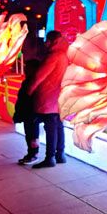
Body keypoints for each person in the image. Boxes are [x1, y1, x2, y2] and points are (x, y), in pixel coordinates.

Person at [27, 30, 69, 168]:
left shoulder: (54, 56)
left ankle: (50, 158)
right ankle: (60, 155)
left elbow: (39, 76)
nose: (45, 43)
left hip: (48, 97)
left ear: (53, 41)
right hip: (59, 97)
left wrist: (29, 90)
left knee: (50, 127)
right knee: (58, 126)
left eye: (47, 40)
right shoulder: (65, 55)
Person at [13, 58, 41, 164]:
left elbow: (26, 98)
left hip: (31, 113)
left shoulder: (33, 82)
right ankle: (31, 153)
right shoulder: (28, 81)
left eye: (27, 68)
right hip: (28, 113)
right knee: (30, 135)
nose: (25, 69)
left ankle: (34, 154)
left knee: (32, 135)